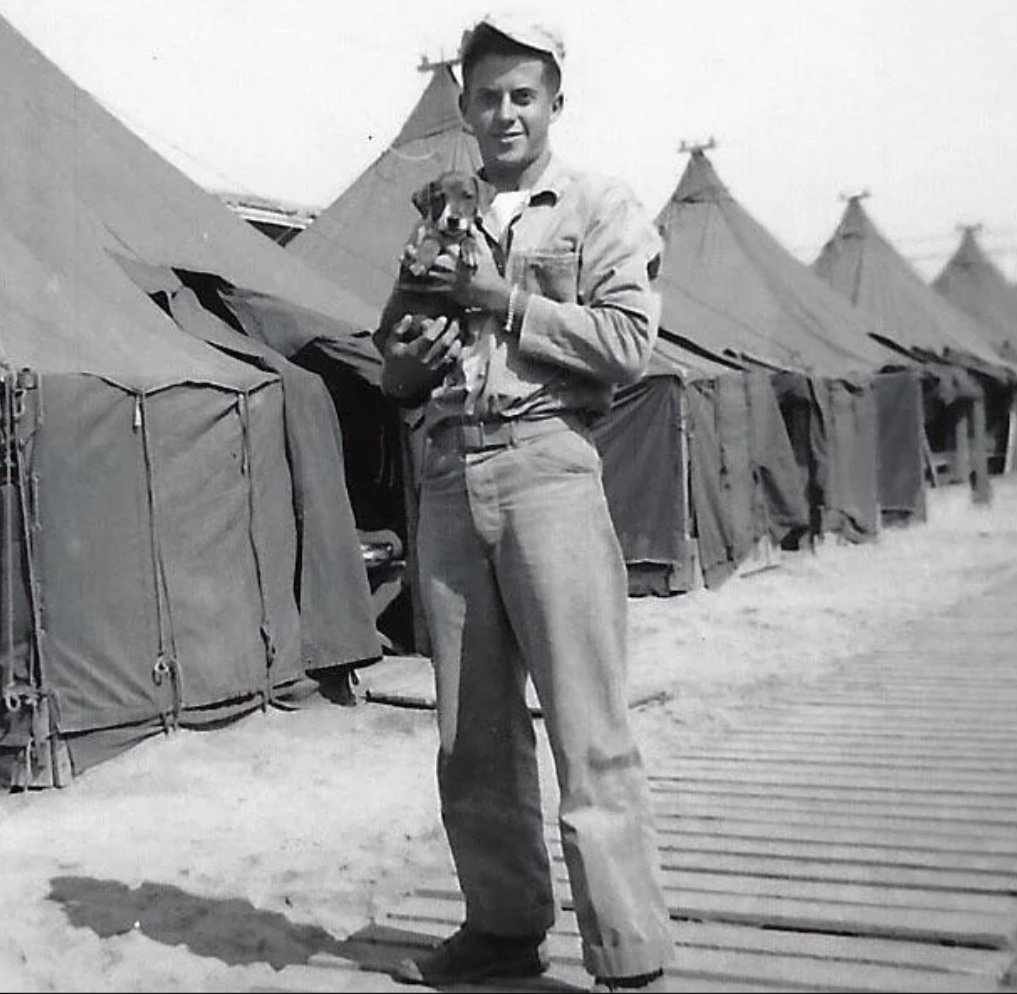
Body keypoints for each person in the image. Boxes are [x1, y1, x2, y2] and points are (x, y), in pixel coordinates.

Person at [373, 12, 672, 993]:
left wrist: (503, 299)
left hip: (547, 462)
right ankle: (502, 930)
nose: (503, 113)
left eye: (522, 96)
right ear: (461, 104)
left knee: (588, 726)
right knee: (471, 734)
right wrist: (405, 364)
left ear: (553, 104)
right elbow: (391, 365)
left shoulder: (597, 206)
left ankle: (627, 956)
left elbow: (629, 346)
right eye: (487, 95)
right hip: (449, 474)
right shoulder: (435, 222)